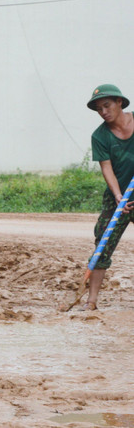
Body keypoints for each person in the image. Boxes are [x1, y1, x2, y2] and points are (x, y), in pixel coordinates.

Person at [84, 84, 134, 311]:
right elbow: (107, 168)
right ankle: (91, 301)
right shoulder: (100, 135)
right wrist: (117, 196)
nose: (103, 111)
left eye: (107, 105)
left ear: (119, 102)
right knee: (102, 245)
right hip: (118, 197)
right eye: (98, 109)